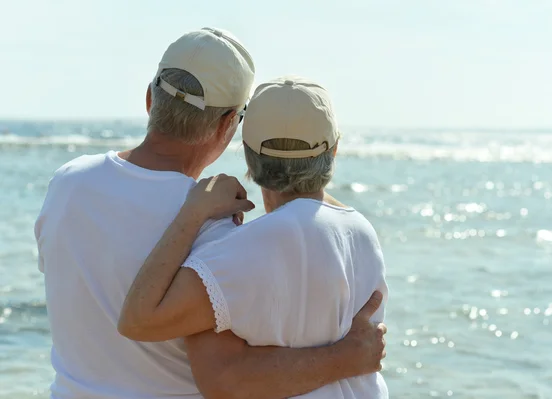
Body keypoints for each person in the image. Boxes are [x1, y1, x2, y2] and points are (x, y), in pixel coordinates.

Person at [35, 28, 386, 399]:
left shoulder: (67, 183)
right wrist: (346, 357)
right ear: (226, 125)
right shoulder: (215, 226)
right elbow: (227, 376)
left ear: (150, 98)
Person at [119, 76, 389, 398]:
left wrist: (193, 214)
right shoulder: (362, 233)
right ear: (333, 151)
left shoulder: (243, 251)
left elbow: (138, 321)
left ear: (249, 157)